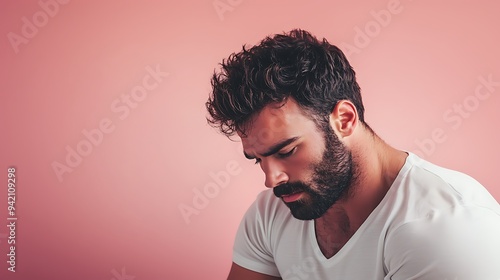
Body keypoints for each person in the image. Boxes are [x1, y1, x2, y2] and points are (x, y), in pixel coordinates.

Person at [205, 29, 500, 279]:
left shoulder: (448, 228)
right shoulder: (270, 214)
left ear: (344, 120)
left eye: (287, 151)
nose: (271, 179)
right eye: (258, 159)